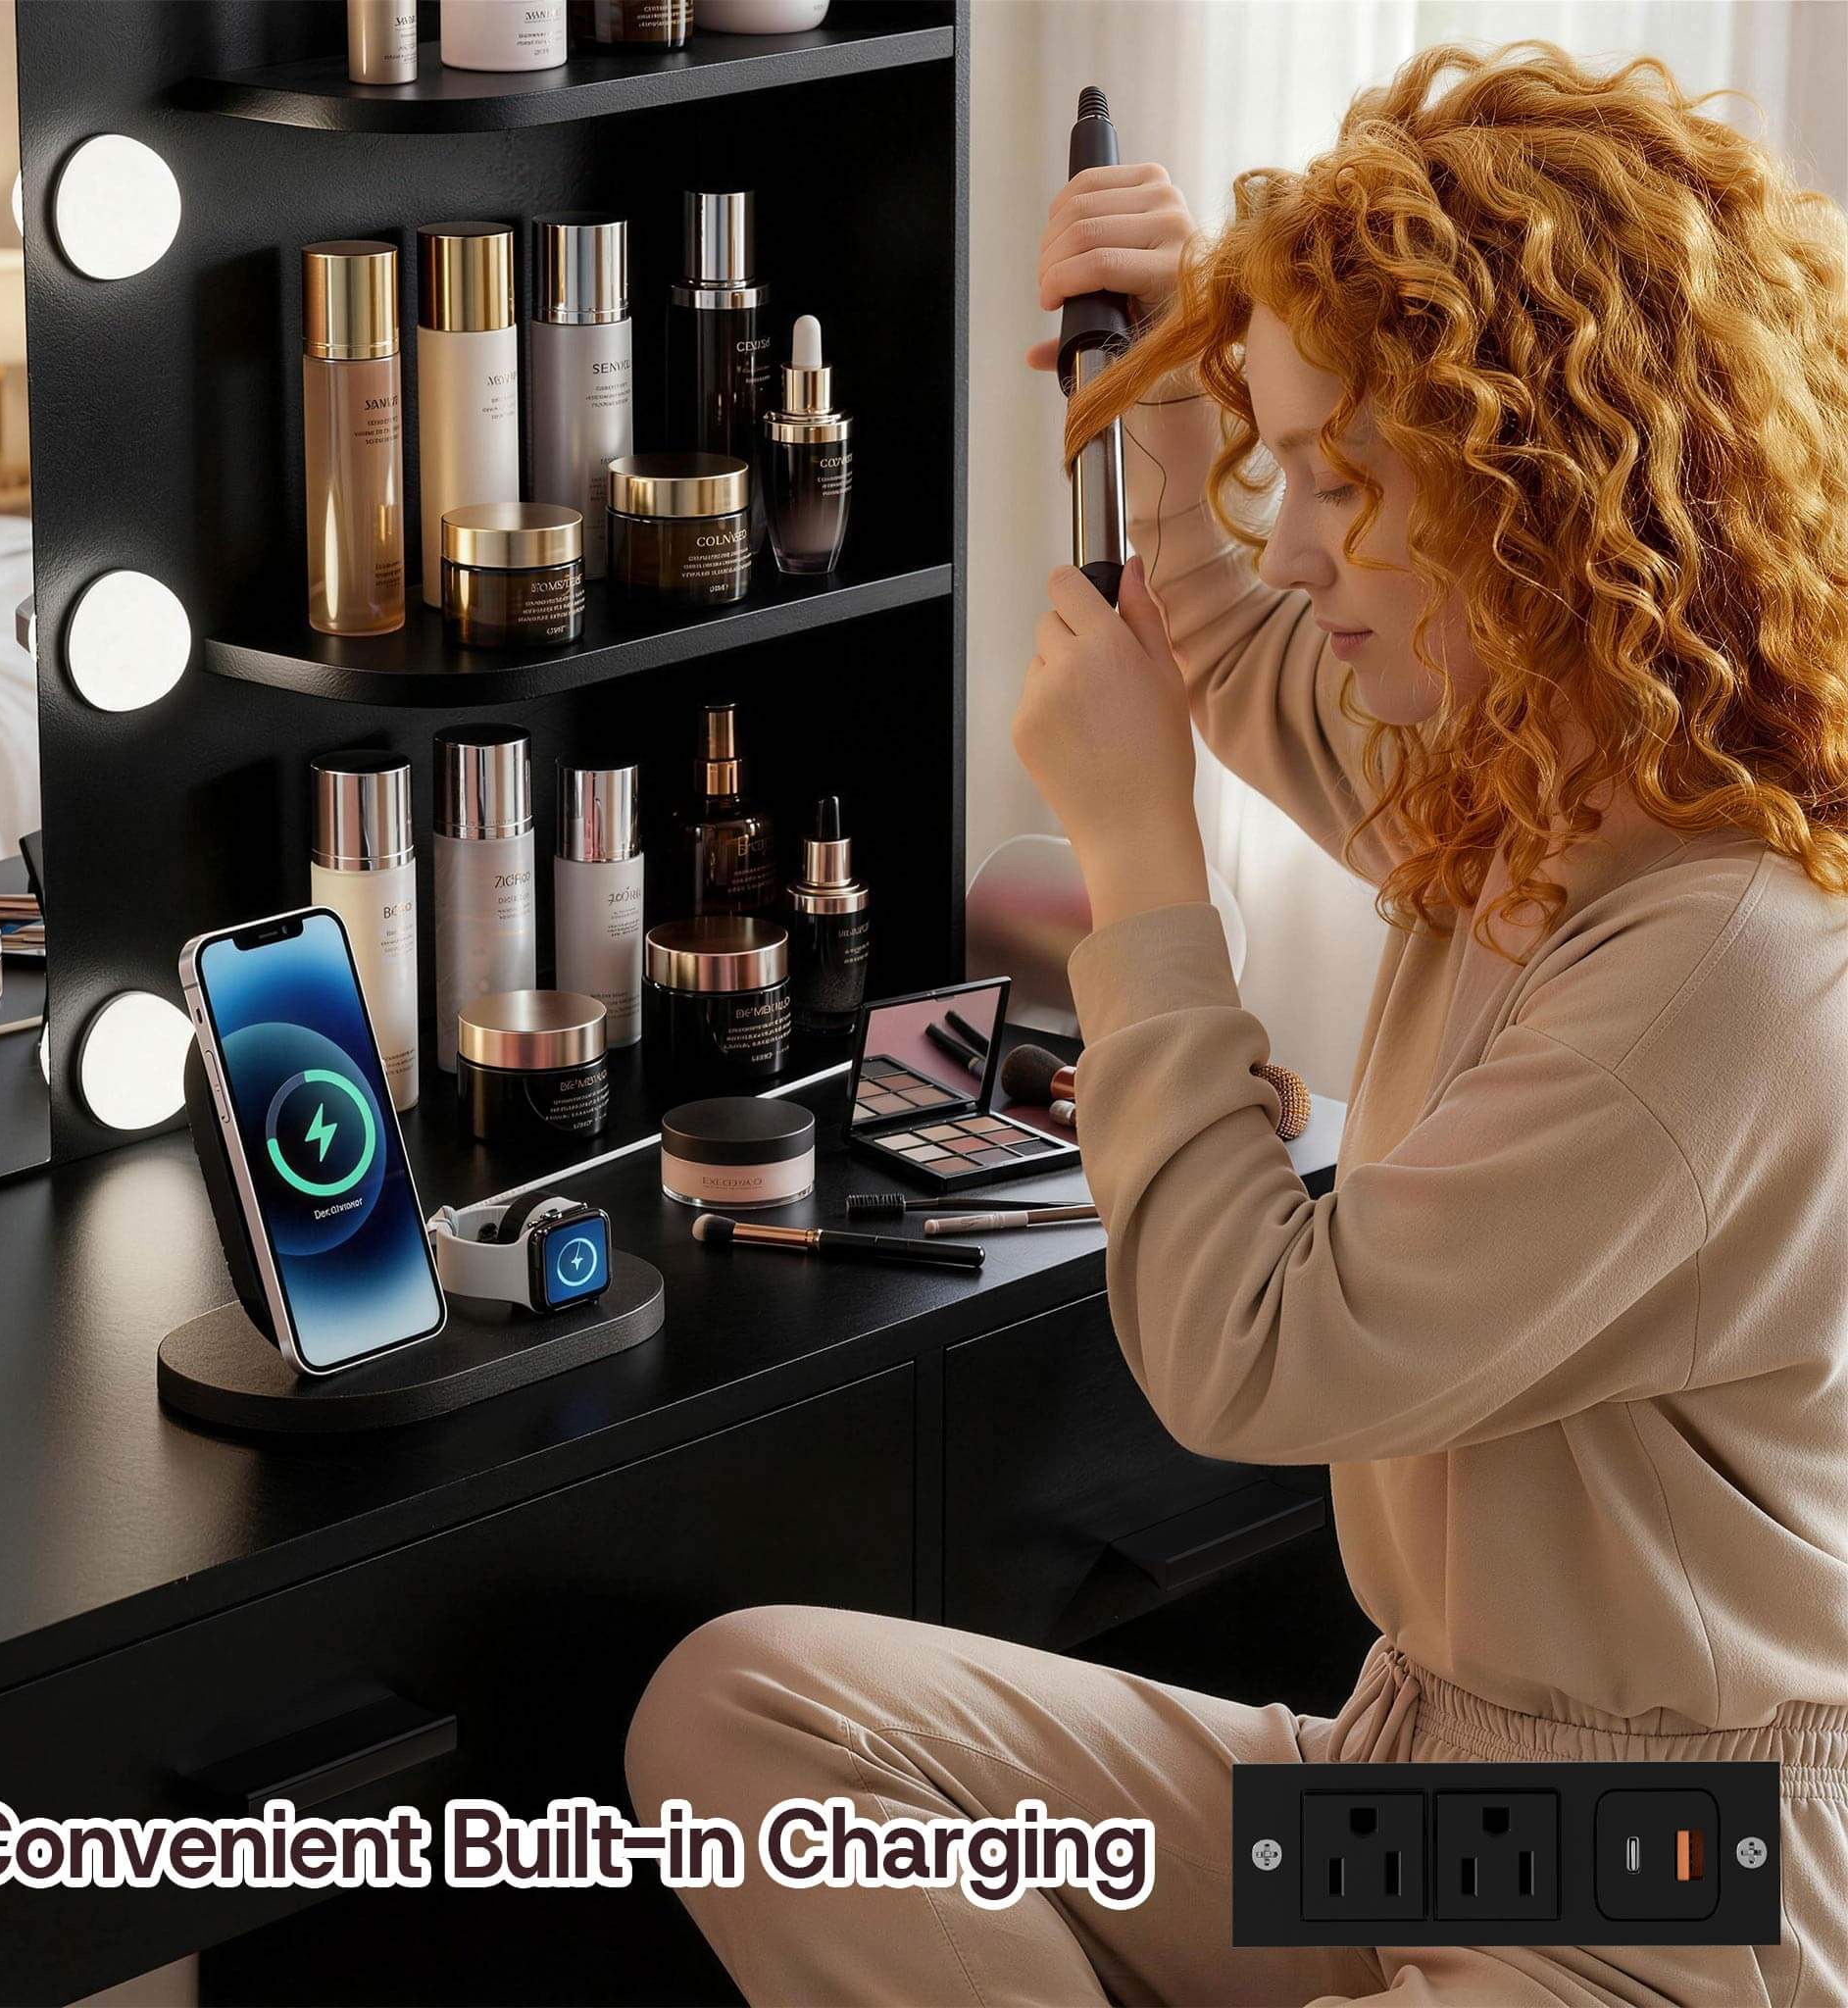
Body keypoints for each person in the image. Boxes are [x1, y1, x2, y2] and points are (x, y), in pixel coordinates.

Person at [624, 40, 1848, 2004]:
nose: (1292, 546)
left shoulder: (1723, 965)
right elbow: (1240, 640)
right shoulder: (1552, 780)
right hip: (1431, 1790)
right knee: (751, 1721)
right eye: (1294, 469)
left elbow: (1243, 1350)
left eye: (1349, 483)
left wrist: (1135, 845)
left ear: (1538, 495)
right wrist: (1181, 408)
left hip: (1671, 1885)